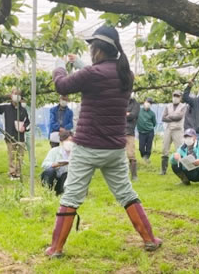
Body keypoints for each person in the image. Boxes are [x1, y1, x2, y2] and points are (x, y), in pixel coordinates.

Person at [45, 25, 161, 258]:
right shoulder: (125, 74)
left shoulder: (92, 74)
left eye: (91, 47)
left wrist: (59, 66)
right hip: (114, 149)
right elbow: (96, 74)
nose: (89, 51)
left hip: (87, 147)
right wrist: (78, 63)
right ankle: (150, 239)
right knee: (126, 193)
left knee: (71, 196)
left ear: (98, 50)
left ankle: (56, 248)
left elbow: (62, 85)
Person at [0, 87, 30, 180]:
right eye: (15, 94)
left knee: (20, 156)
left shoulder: (23, 110)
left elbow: (28, 122)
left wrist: (25, 128)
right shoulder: (6, 107)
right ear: (11, 96)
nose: (17, 96)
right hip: (9, 136)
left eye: (18, 95)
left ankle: (18, 173)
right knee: (11, 156)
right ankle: (12, 173)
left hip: (21, 137)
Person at [160, 90, 187, 175]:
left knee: (179, 149)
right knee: (165, 148)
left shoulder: (183, 106)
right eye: (174, 96)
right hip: (168, 129)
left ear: (180, 97)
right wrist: (172, 117)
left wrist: (170, 116)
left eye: (177, 96)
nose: (175, 98)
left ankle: (181, 168)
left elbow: (179, 117)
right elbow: (163, 118)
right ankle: (163, 170)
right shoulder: (168, 106)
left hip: (178, 130)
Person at [41, 130, 73, 195]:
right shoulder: (54, 151)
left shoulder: (75, 153)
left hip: (65, 178)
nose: (69, 143)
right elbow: (44, 165)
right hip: (54, 176)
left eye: (71, 141)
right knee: (49, 171)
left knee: (67, 174)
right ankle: (47, 190)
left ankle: (62, 191)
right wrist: (56, 164)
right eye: (67, 140)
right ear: (62, 141)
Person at [137, 97, 157, 163]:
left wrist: (149, 127)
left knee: (148, 147)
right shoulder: (138, 111)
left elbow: (154, 123)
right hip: (141, 132)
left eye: (150, 103)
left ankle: (146, 159)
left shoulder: (152, 113)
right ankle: (144, 157)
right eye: (148, 102)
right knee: (141, 148)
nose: (148, 104)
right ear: (144, 102)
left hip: (150, 132)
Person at [126, 96, 140, 180]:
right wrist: (127, 113)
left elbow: (133, 115)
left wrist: (128, 114)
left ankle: (134, 175)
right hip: (118, 131)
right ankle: (121, 176)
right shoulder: (120, 101)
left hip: (129, 132)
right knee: (118, 155)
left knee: (131, 154)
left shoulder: (135, 104)